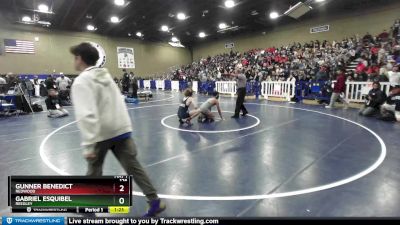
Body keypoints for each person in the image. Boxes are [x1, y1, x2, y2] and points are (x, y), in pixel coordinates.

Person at [69, 43, 165, 217]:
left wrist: (89, 145)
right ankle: (154, 200)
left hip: (101, 134)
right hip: (121, 130)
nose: (74, 61)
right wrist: (126, 127)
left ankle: (88, 210)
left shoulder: (82, 81)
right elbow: (119, 102)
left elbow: (86, 115)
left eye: (75, 57)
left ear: (80, 58)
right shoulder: (107, 77)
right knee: (134, 168)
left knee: (94, 171)